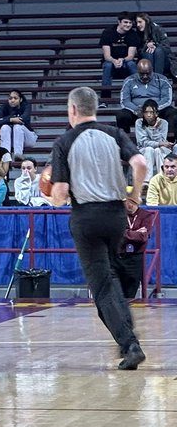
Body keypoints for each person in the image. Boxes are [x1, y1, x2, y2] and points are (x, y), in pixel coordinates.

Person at [47, 85, 147, 370]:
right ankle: (127, 338)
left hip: (86, 216)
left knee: (102, 287)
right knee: (110, 277)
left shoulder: (64, 142)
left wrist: (50, 196)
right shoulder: (114, 133)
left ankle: (130, 344)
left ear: (73, 110)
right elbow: (140, 162)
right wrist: (135, 195)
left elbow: (61, 193)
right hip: (116, 214)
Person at [116, 58, 177, 135]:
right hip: (137, 112)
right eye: (142, 74)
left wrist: (152, 109)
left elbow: (167, 99)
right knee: (122, 115)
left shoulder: (162, 80)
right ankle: (125, 142)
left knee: (173, 113)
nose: (145, 76)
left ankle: (169, 141)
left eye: (147, 74)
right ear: (137, 71)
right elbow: (125, 101)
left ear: (152, 70)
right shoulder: (129, 81)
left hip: (158, 110)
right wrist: (137, 110)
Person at [112, 198, 157, 301]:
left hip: (135, 257)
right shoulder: (117, 215)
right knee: (115, 291)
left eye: (132, 201)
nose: (130, 204)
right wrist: (134, 233)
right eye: (127, 201)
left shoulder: (146, 216)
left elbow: (142, 237)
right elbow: (114, 233)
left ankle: (126, 314)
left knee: (130, 291)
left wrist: (125, 233)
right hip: (118, 256)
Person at [99, 13, 142, 106]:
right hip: (111, 62)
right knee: (107, 65)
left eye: (130, 23)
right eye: (125, 22)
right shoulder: (108, 33)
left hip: (126, 62)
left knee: (131, 64)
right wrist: (114, 61)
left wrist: (122, 60)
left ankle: (138, 95)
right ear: (119, 22)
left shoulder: (133, 34)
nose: (128, 25)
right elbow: (107, 56)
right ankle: (105, 100)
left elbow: (131, 56)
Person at [134, 100, 171, 181]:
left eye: (151, 112)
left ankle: (162, 179)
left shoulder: (164, 123)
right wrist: (159, 143)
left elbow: (162, 141)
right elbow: (143, 142)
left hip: (160, 151)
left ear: (156, 113)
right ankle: (147, 181)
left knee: (158, 150)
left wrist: (155, 127)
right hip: (144, 150)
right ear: (143, 113)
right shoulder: (139, 123)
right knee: (149, 149)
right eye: (146, 112)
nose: (149, 115)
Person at [0, 89, 37, 159]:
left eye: (15, 98)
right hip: (11, 138)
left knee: (17, 126)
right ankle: (6, 156)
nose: (12, 100)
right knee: (5, 127)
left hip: (28, 138)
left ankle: (18, 155)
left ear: (20, 99)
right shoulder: (4, 107)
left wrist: (5, 119)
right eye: (10, 98)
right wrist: (12, 119)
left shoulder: (26, 106)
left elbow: (23, 119)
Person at [135, 13, 170, 78]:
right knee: (149, 52)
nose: (138, 25)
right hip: (145, 61)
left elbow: (167, 48)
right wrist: (146, 45)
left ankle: (157, 78)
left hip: (164, 61)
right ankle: (152, 78)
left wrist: (155, 45)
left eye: (140, 22)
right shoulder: (138, 33)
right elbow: (139, 51)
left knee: (158, 51)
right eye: (137, 22)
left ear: (146, 21)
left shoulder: (158, 29)